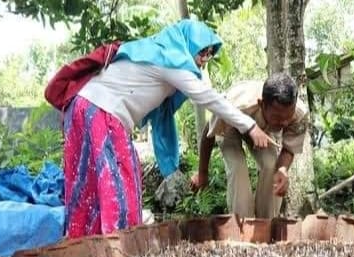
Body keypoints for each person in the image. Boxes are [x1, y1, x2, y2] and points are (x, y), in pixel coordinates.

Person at [61, 19, 273, 238]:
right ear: (188, 44)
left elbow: (179, 105)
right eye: (202, 51)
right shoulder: (171, 60)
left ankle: (90, 245)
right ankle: (116, 247)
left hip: (82, 108)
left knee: (91, 185)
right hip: (99, 112)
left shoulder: (159, 54)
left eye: (210, 54)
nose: (205, 59)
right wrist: (251, 126)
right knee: (120, 184)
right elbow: (209, 98)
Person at [190, 73, 310, 218]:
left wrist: (283, 169)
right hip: (230, 127)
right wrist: (202, 173)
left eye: (287, 117)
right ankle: (243, 225)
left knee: (271, 164)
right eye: (277, 118)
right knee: (237, 167)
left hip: (262, 131)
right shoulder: (236, 104)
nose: (284, 123)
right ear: (261, 104)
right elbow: (208, 132)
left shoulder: (299, 114)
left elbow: (289, 148)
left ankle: (267, 224)